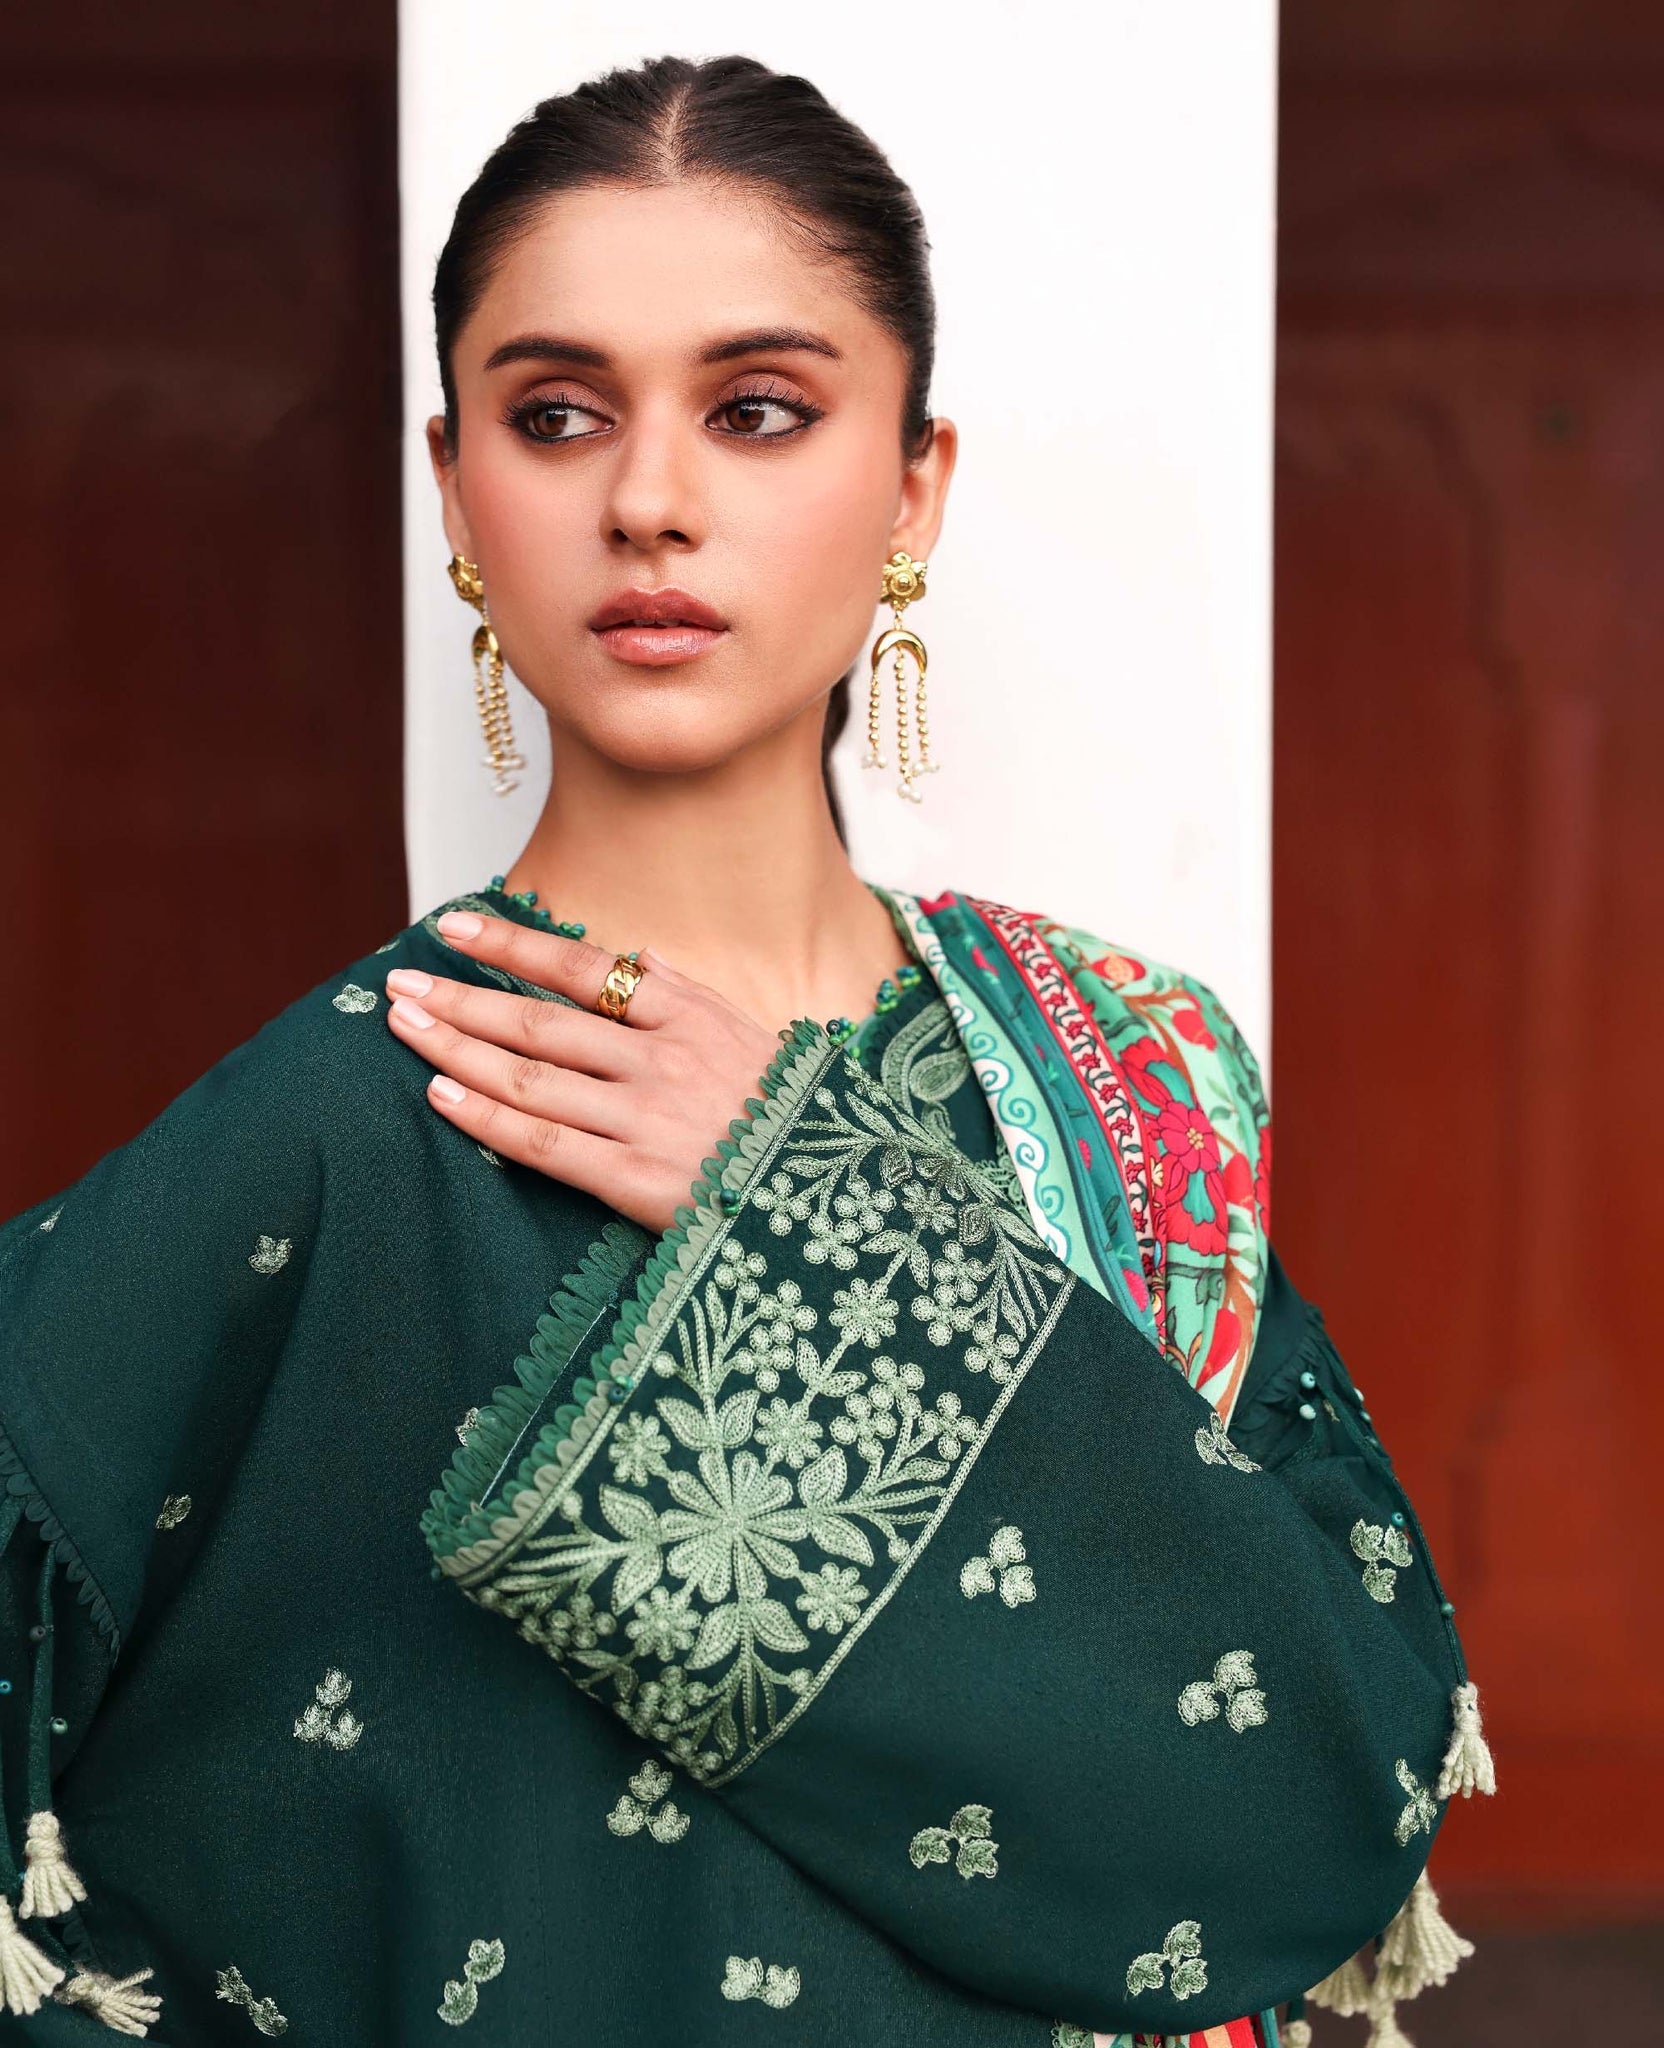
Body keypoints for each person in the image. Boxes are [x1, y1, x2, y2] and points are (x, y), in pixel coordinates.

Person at [0, 54, 1495, 2047]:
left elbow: (1327, 1780)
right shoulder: (352, 1120)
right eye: (555, 415)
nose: (647, 501)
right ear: (454, 487)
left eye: (759, 410)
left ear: (914, 485)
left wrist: (812, 1207)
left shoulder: (1126, 1070)